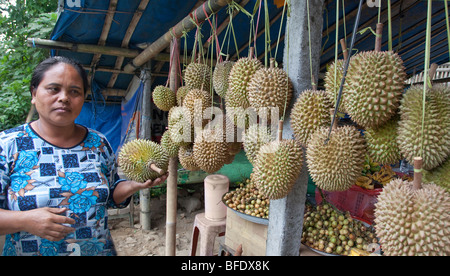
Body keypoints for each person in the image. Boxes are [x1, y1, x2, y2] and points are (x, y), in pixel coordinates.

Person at [0, 56, 168, 256]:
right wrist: (25, 220)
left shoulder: (98, 143)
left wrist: (134, 185)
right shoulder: (8, 145)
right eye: (54, 89)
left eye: (74, 92)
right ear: (34, 94)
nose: (64, 97)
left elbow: (111, 196)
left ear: (83, 98)